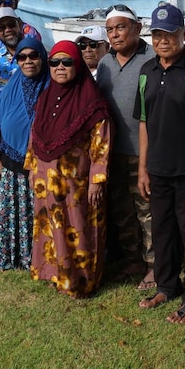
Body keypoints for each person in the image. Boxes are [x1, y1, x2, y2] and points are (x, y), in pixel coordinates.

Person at [133, 3, 185, 323]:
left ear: (184, 33)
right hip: (157, 170)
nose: (163, 40)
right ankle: (167, 285)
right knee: (163, 231)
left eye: (169, 33)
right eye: (157, 34)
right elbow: (143, 122)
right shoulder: (147, 71)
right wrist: (143, 168)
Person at [25, 41, 112, 297]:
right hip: (45, 178)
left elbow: (102, 141)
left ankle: (81, 280)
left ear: (78, 65)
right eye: (54, 62)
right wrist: (31, 167)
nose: (60, 68)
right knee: (50, 227)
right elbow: (35, 134)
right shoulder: (46, 96)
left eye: (67, 62)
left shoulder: (92, 100)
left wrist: (98, 178)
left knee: (78, 228)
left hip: (78, 182)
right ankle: (55, 274)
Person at [96, 4, 155, 289]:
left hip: (144, 151)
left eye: (121, 27)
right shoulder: (105, 63)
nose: (115, 34)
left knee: (148, 211)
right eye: (110, 30)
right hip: (113, 152)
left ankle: (155, 266)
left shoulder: (154, 57)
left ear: (137, 28)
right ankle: (133, 261)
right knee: (122, 210)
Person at [0, 37, 50, 271]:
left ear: (43, 58)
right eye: (22, 57)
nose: (28, 61)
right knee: (14, 212)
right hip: (10, 163)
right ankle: (14, 256)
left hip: (42, 164)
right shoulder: (11, 86)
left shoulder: (52, 86)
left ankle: (38, 257)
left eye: (34, 56)